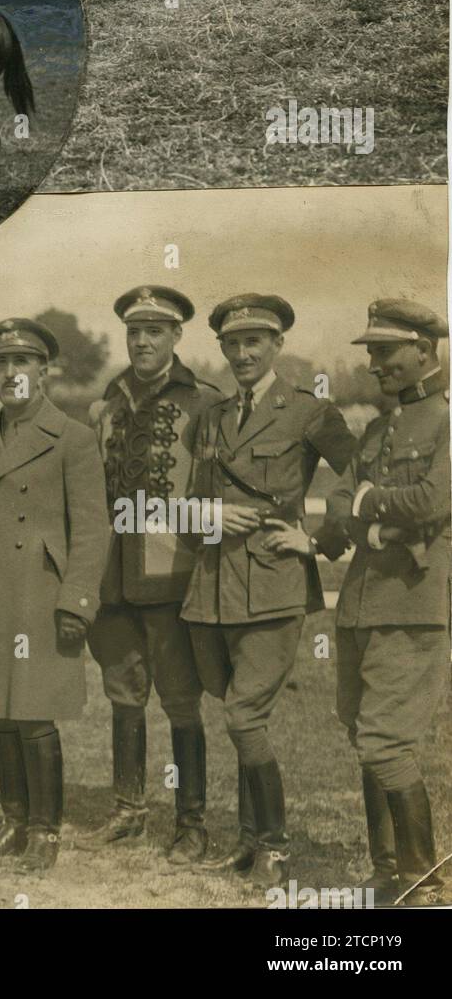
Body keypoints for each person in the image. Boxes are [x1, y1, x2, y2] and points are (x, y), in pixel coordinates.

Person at [182, 294, 357, 886]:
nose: (242, 353)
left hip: (275, 583)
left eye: (254, 341)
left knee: (242, 714)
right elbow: (188, 503)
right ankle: (249, 840)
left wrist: (322, 542)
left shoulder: (307, 410)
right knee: (234, 712)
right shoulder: (210, 416)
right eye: (232, 344)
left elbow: (363, 474)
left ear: (277, 344)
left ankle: (275, 848)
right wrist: (209, 514)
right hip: (212, 587)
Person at [0, 319, 110, 872]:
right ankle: (13, 821)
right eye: (1, 365)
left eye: (23, 363)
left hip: (40, 593)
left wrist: (77, 601)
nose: (11, 374)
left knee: (33, 715)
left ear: (44, 371)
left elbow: (93, 530)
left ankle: (45, 831)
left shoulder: (73, 439)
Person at [308, 300, 449, 907]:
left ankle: (425, 881)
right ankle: (388, 872)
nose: (374, 365)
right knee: (363, 735)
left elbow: (431, 502)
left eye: (385, 352)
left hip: (412, 607)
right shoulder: (374, 430)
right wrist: (369, 520)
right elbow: (339, 503)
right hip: (362, 607)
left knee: (385, 743)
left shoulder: (446, 422)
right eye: (369, 353)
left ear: (424, 348)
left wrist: (369, 505)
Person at [80, 286, 221, 862]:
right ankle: (128, 809)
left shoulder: (205, 403)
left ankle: (191, 822)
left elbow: (213, 492)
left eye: (155, 331)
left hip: (171, 569)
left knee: (180, 699)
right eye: (134, 331)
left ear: (176, 337)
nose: (142, 341)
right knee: (123, 693)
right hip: (113, 572)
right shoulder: (104, 406)